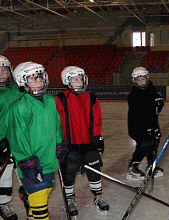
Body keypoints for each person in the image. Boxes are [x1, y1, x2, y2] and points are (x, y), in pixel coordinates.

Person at [1, 62, 66, 220]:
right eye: (32, 79)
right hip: (31, 161)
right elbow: (18, 138)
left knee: (45, 190)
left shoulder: (50, 100)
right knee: (39, 196)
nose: (38, 82)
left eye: (40, 78)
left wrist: (59, 145)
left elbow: (57, 124)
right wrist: (27, 161)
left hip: (48, 158)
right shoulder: (19, 107)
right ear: (22, 82)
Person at [55, 66, 109, 218]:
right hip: (69, 145)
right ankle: (70, 199)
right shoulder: (60, 99)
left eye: (80, 79)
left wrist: (98, 138)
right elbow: (57, 123)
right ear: (67, 81)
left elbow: (97, 120)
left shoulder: (91, 98)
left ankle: (98, 196)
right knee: (69, 173)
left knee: (95, 171)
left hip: (89, 143)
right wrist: (59, 143)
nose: (79, 83)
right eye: (74, 80)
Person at [126, 67, 164, 180]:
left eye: (143, 79)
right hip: (137, 126)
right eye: (138, 80)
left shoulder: (152, 89)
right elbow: (141, 112)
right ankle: (132, 167)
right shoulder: (133, 95)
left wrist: (159, 103)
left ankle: (151, 165)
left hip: (151, 124)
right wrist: (148, 128)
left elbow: (156, 109)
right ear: (134, 81)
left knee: (154, 141)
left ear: (147, 78)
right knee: (144, 144)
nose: (141, 82)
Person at [0, 55, 21, 220]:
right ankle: (3, 203)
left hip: (20, 140)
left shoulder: (17, 89)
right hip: (3, 142)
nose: (1, 73)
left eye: (4, 70)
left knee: (24, 170)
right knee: (5, 174)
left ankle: (29, 196)